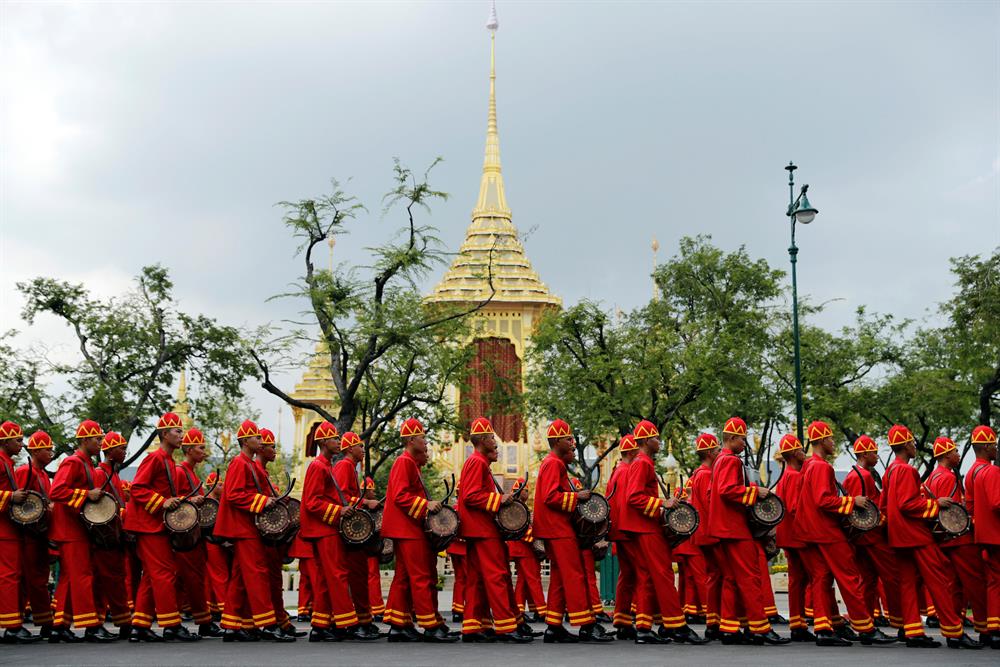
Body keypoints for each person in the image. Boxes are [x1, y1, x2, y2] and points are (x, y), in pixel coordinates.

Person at [881, 424, 981, 649]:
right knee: (939, 582)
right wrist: (935, 504)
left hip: (898, 536)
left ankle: (913, 632)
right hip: (915, 535)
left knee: (907, 583)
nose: (915, 447)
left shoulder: (889, 472)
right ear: (906, 445)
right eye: (913, 443)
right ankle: (954, 632)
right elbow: (907, 504)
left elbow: (885, 506)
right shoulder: (907, 470)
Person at [796, 420, 893, 646]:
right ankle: (866, 628)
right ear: (821, 440)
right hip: (826, 531)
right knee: (850, 577)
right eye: (830, 438)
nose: (833, 442)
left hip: (810, 531)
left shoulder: (809, 465)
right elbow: (823, 500)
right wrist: (852, 501)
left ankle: (823, 629)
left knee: (821, 579)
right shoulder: (821, 466)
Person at [622, 420, 706, 645]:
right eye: (657, 438)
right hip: (646, 528)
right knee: (664, 574)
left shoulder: (642, 462)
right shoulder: (643, 463)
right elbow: (634, 497)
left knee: (647, 577)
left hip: (641, 528)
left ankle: (643, 628)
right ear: (647, 440)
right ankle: (677, 626)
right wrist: (663, 503)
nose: (660, 442)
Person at [707, 417, 787, 645]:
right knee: (751, 578)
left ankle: (730, 629)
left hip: (723, 529)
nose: (745, 443)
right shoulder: (730, 461)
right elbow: (727, 490)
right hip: (734, 528)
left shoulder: (721, 460)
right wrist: (755, 492)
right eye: (742, 438)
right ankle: (759, 627)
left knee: (731, 579)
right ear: (731, 438)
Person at [533, 419, 612, 644]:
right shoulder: (553, 463)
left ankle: (553, 627)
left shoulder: (553, 463)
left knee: (559, 578)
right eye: (569, 438)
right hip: (558, 529)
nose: (572, 443)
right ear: (557, 441)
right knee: (575, 575)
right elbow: (550, 497)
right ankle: (586, 625)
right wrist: (576, 496)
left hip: (555, 528)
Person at [214, 419, 293, 642]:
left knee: (239, 578)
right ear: (246, 440)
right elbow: (234, 495)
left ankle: (231, 626)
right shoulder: (240, 463)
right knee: (258, 574)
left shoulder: (248, 464)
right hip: (244, 529)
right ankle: (267, 624)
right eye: (257, 437)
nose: (261, 440)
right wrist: (262, 501)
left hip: (247, 528)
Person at [124, 413, 200, 642]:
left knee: (151, 576)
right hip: (149, 526)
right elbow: (137, 488)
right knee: (165, 573)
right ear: (164, 434)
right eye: (177, 431)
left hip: (157, 525)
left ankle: (140, 625)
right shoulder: (155, 458)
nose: (181, 435)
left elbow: (169, 496)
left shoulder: (168, 461)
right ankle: (171, 624)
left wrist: (183, 500)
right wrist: (161, 502)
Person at [455, 417, 531, 643]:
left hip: (479, 530)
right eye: (491, 437)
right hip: (483, 530)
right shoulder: (477, 462)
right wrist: (500, 500)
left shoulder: (479, 463)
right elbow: (470, 496)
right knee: (498, 576)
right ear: (481, 440)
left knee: (477, 580)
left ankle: (472, 626)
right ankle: (506, 626)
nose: (495, 441)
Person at [382, 418, 457, 643]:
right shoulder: (404, 462)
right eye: (423, 437)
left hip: (406, 528)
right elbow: (401, 496)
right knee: (421, 577)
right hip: (406, 529)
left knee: (404, 578)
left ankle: (398, 625)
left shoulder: (410, 463)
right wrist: (426, 504)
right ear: (411, 439)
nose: (426, 442)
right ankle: (430, 625)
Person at [47, 420, 117, 642]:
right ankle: (90, 626)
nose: (101, 442)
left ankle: (60, 626)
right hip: (70, 530)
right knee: (82, 576)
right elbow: (56, 491)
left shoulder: (86, 463)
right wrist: (86, 495)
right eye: (97, 439)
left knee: (70, 578)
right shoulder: (73, 461)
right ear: (85, 440)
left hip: (76, 529)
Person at [924, 436, 987, 636]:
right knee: (975, 582)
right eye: (955, 452)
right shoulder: (948, 477)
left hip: (943, 540)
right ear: (946, 454)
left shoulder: (932, 477)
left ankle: (953, 625)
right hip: (958, 538)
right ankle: (986, 627)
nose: (958, 455)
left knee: (954, 585)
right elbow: (952, 513)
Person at [842, 435, 903, 634]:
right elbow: (867, 510)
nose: (877, 456)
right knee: (892, 576)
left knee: (867, 581)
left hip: (861, 538)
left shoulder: (856, 475)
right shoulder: (863, 476)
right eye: (875, 452)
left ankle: (864, 623)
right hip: (871, 536)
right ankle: (903, 622)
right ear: (865, 454)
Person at [172, 428, 223, 637]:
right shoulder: (179, 472)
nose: (205, 452)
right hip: (184, 537)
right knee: (186, 579)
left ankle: (204, 621)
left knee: (195, 579)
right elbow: (172, 501)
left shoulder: (192, 473)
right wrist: (189, 500)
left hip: (195, 535)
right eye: (201, 447)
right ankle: (175, 621)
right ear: (190, 449)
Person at [333, 430, 381, 639]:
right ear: (350, 448)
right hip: (350, 532)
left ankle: (365, 619)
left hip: (355, 531)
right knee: (357, 576)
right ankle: (359, 620)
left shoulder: (351, 468)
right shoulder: (344, 466)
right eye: (360, 446)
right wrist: (366, 503)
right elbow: (342, 498)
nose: (363, 449)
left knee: (360, 575)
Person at [0, 421, 43, 644]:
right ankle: (12, 627)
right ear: (5, 441)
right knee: (8, 576)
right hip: (3, 529)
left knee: (12, 576)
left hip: (9, 527)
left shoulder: (8, 462)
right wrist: (9, 497)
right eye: (17, 440)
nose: (21, 444)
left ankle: (12, 623)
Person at [13, 430, 55, 640]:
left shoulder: (44, 475)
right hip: (27, 534)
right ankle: (16, 623)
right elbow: (18, 508)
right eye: (48, 449)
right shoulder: (23, 471)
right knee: (26, 579)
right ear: (36, 451)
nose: (51, 453)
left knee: (39, 579)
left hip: (40, 535)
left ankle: (45, 621)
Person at [773, 434, 815, 643]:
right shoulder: (795, 476)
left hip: (789, 535)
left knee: (797, 581)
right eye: (800, 450)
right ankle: (814, 622)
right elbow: (796, 507)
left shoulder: (787, 475)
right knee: (815, 577)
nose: (804, 454)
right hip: (799, 536)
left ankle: (798, 624)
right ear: (795, 453)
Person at [93, 432, 134, 638]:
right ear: (109, 452)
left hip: (115, 534)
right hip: (104, 536)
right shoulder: (100, 474)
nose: (125, 452)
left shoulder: (115, 474)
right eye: (121, 449)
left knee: (116, 579)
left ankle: (123, 621)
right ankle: (102, 622)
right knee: (106, 580)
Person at [968, 425, 999, 649]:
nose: (996, 450)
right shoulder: (992, 471)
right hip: (996, 534)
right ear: (987, 447)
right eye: (994, 446)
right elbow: (997, 503)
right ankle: (996, 629)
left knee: (991, 581)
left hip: (982, 535)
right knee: (997, 582)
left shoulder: (972, 472)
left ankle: (988, 629)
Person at [606, 435, 638, 638]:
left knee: (626, 576)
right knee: (640, 574)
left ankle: (622, 619)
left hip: (619, 530)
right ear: (633, 452)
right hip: (628, 530)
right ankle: (640, 622)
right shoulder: (626, 472)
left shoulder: (617, 472)